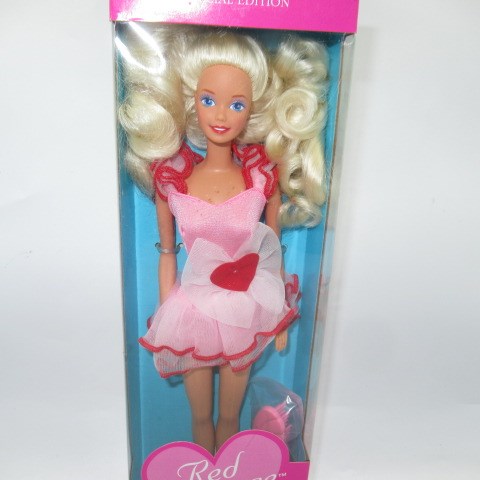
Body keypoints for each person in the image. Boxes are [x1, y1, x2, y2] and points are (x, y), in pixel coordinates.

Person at [118, 24, 328, 453]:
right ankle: (203, 470)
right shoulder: (172, 179)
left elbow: (271, 249)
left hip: (246, 307)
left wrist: (280, 314)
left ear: (253, 110)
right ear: (190, 100)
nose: (220, 115)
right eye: (208, 100)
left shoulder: (260, 177)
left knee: (230, 414)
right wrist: (167, 317)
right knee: (199, 415)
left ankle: (230, 470)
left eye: (237, 104)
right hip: (191, 309)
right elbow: (167, 252)